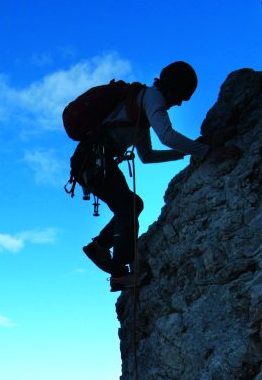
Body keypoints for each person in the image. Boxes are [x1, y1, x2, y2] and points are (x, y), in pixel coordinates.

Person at [77, 61, 241, 291]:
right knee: (128, 206)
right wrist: (206, 151)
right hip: (94, 164)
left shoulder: (140, 111)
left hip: (93, 164)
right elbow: (167, 135)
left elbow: (148, 156)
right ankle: (119, 273)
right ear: (172, 88)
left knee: (132, 204)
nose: (180, 103)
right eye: (181, 96)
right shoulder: (152, 98)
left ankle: (101, 247)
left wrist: (186, 152)